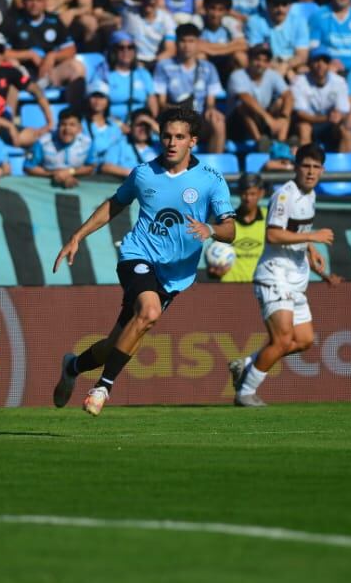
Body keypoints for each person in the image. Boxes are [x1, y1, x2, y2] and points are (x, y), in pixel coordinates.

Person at [51, 106, 235, 416]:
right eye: (166, 136)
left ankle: (73, 366)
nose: (171, 142)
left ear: (193, 141)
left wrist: (212, 229)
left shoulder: (211, 180)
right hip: (137, 255)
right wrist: (77, 236)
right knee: (149, 312)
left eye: (179, 137)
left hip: (175, 275)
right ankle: (103, 388)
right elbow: (114, 205)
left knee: (118, 341)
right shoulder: (144, 173)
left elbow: (230, 230)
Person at [228, 142, 341, 407]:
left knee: (304, 341)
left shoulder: (311, 196)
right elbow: (273, 234)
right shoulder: (284, 196)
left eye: (316, 167)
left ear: (322, 170)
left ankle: (245, 364)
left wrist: (310, 249)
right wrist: (314, 236)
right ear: (296, 168)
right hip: (274, 275)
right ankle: (245, 393)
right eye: (306, 166)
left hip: (296, 278)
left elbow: (296, 230)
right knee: (281, 340)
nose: (311, 172)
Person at [292, 49, 351, 150]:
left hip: (330, 126)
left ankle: (346, 165)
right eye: (316, 61)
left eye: (324, 61)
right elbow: (301, 114)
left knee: (346, 129)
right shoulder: (299, 81)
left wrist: (337, 116)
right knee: (304, 127)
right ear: (309, 64)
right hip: (310, 123)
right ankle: (306, 161)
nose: (320, 65)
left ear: (329, 65)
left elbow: (343, 110)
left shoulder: (339, 82)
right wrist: (327, 118)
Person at [212, 172, 265, 283]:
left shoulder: (269, 218)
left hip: (261, 286)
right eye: (245, 194)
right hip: (230, 288)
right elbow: (213, 263)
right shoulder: (226, 221)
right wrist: (214, 271)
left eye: (252, 194)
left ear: (261, 193)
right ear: (239, 194)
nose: (248, 198)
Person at [25, 107, 94, 187]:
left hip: (78, 184)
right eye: (63, 124)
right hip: (47, 185)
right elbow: (28, 167)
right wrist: (54, 174)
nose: (67, 129)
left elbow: (91, 167)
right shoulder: (43, 142)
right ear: (57, 126)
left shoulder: (87, 143)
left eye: (72, 125)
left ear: (79, 128)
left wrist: (70, 172)